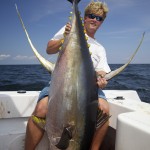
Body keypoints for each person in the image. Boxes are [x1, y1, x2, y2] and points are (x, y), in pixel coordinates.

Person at [25, 1, 111, 150]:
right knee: (41, 109)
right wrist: (64, 38)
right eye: (91, 16)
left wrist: (101, 79)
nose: (95, 20)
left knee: (104, 108)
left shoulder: (100, 48)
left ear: (102, 22)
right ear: (84, 17)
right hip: (61, 83)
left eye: (99, 18)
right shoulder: (69, 30)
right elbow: (49, 49)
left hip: (88, 89)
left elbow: (102, 71)